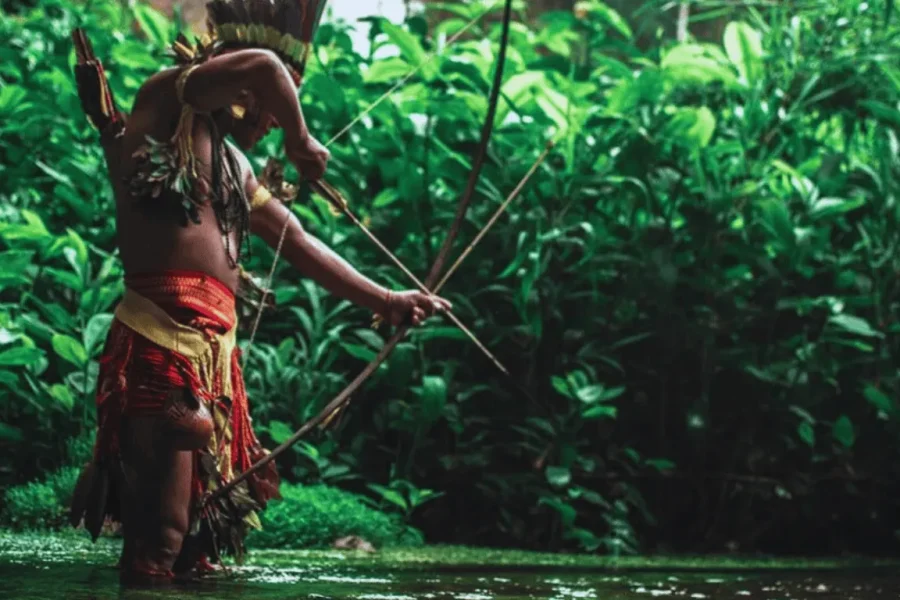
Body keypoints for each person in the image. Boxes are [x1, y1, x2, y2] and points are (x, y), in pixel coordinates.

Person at [68, 0, 451, 582]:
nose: (276, 117)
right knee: (160, 539)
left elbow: (296, 239)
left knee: (198, 553)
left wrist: (388, 301)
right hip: (162, 344)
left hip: (216, 367)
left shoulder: (235, 165)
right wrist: (300, 141)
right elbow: (268, 69)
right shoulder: (167, 99)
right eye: (279, 106)